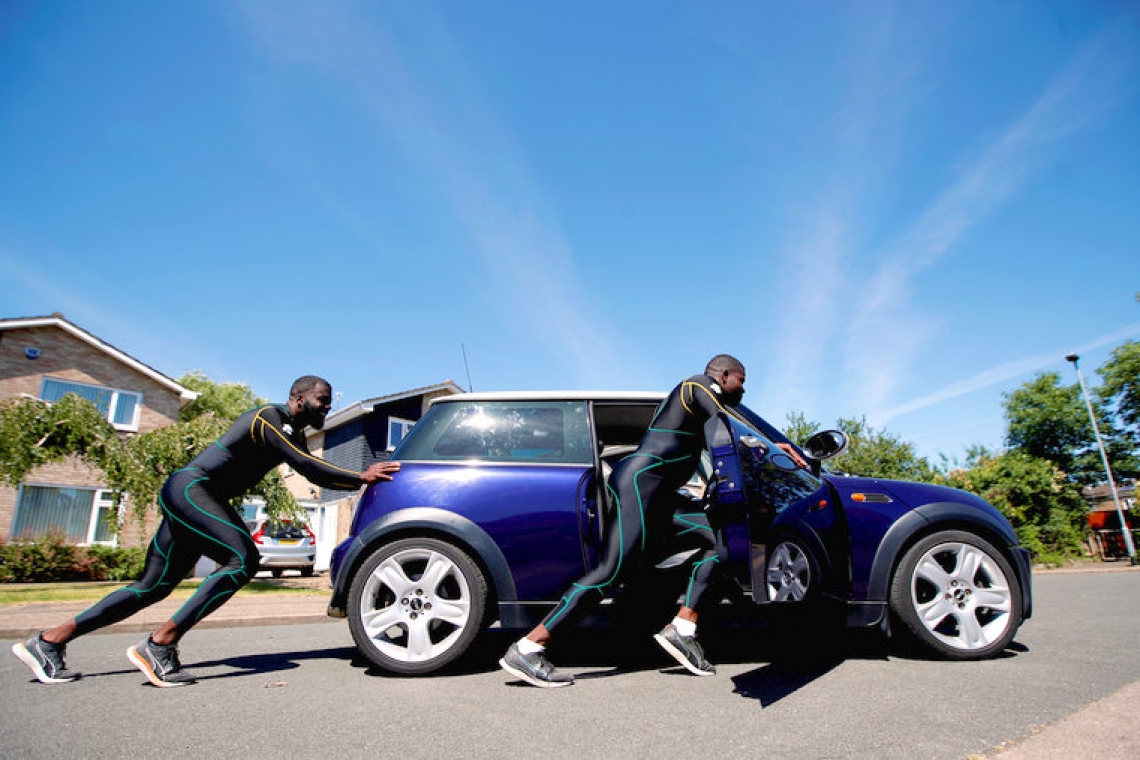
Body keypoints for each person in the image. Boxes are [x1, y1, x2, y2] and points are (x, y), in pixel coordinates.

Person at [11, 375, 400, 688]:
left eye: (329, 401)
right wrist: (362, 476)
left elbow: (303, 462)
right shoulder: (269, 418)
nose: (326, 406)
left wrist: (356, 479)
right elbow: (307, 467)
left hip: (198, 497)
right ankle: (160, 643)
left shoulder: (292, 432)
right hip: (191, 489)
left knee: (152, 586)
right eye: (321, 399)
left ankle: (48, 642)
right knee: (243, 559)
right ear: (298, 398)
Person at [499, 354, 804, 688]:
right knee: (610, 573)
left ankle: (683, 628)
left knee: (721, 541)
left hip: (661, 498)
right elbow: (722, 419)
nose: (743, 389)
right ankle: (528, 648)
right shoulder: (696, 386)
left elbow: (723, 441)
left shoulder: (701, 419)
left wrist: (770, 447)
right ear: (725, 374)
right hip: (639, 486)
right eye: (741, 380)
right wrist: (766, 443)